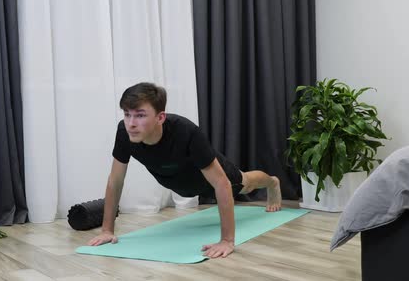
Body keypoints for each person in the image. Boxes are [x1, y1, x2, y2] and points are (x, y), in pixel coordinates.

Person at [87, 82, 282, 258]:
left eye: (140, 115)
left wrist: (227, 241)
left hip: (208, 176)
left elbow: (220, 183)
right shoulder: (125, 133)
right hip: (177, 181)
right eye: (127, 114)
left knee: (244, 183)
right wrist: (107, 230)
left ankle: (272, 182)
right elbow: (116, 180)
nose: (131, 123)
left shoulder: (185, 132)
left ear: (160, 117)